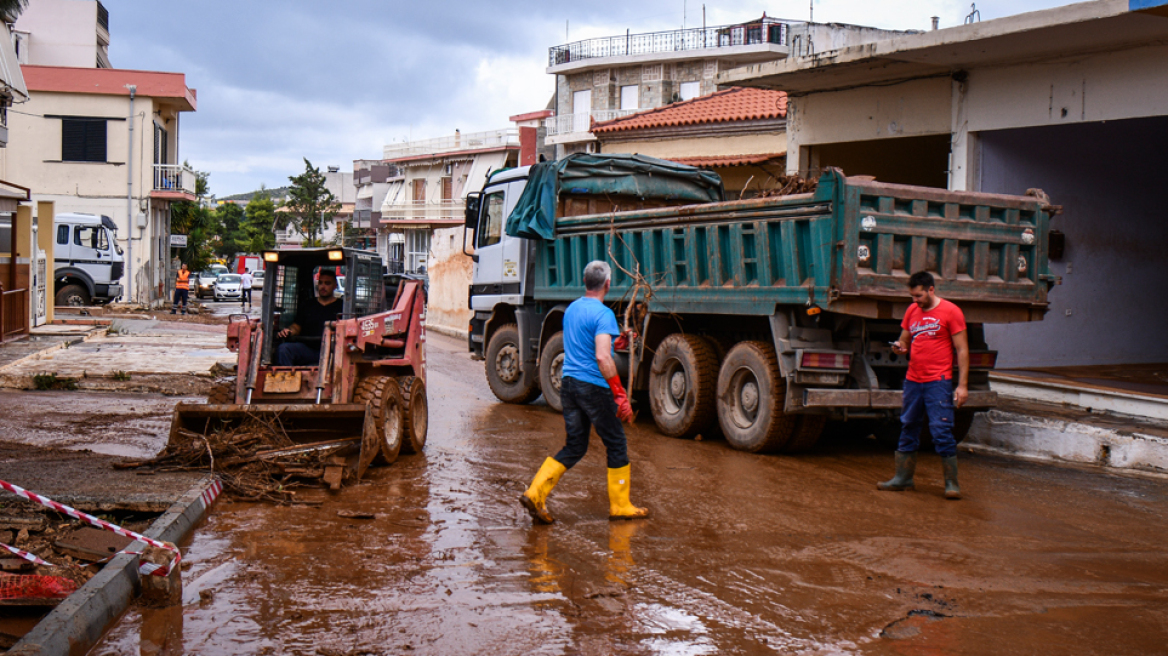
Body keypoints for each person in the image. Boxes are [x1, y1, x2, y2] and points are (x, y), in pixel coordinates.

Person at [520, 260, 648, 524]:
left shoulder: (572, 310)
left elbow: (586, 343)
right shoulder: (604, 315)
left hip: (569, 385)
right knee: (616, 442)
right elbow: (602, 357)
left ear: (585, 281)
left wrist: (615, 340)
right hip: (593, 387)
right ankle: (621, 505)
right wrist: (620, 394)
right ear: (608, 284)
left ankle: (535, 491)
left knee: (575, 445)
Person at [879, 271, 969, 499]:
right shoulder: (912, 311)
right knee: (908, 424)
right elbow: (905, 340)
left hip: (938, 381)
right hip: (913, 380)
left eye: (918, 296)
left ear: (931, 289)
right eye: (912, 296)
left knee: (941, 429)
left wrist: (962, 386)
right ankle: (903, 478)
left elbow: (962, 350)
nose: (914, 301)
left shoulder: (951, 312)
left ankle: (951, 483)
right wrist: (899, 347)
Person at [275, 269, 343, 366]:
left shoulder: (342, 306)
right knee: (284, 349)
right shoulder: (307, 305)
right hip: (308, 349)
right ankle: (286, 379)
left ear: (335, 286)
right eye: (321, 283)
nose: (323, 286)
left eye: (327, 283)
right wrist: (288, 331)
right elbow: (296, 327)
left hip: (333, 350)